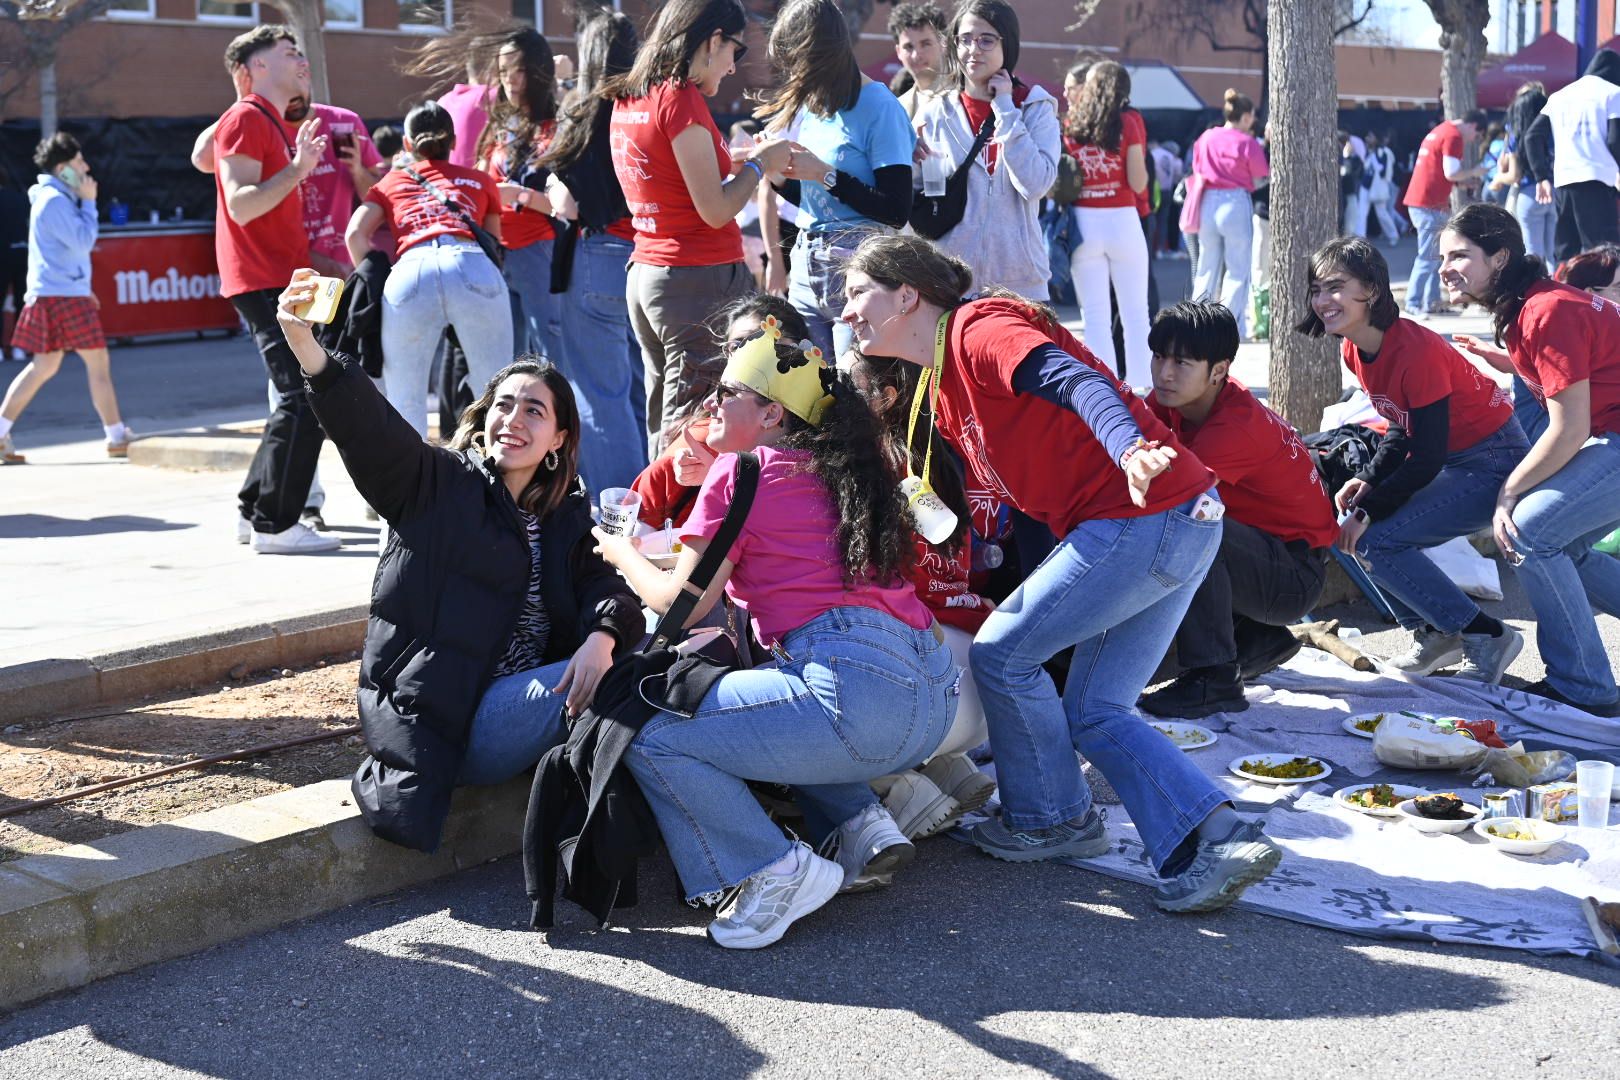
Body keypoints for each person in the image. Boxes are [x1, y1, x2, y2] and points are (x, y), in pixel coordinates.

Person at [841, 233, 1283, 913]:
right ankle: (1217, 836)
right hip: (1171, 520)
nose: (845, 312)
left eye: (856, 293)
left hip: (1147, 515)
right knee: (1095, 707)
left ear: (907, 295)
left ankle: (1050, 819)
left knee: (1003, 654)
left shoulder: (978, 329)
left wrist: (1130, 446)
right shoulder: (942, 378)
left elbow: (1079, 382)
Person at [593, 316, 958, 950]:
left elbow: (679, 604)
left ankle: (775, 869)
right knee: (765, 704)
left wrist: (620, 552)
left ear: (770, 414)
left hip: (855, 696)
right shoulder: (855, 472)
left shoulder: (742, 472)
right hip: (932, 691)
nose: (711, 403)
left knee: (650, 732)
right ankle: (861, 822)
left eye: (727, 392)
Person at [273, 268, 643, 851]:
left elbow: (606, 587)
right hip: (457, 723)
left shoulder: (562, 513)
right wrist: (308, 347)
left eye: (533, 412)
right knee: (630, 679)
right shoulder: (438, 486)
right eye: (504, 405)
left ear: (559, 442)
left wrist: (602, 632)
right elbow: (370, 431)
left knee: (643, 660)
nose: (513, 421)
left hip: (533, 700)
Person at [1299, 235, 1528, 681]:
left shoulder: (1415, 351)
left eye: (1335, 287)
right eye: (1317, 289)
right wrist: (1368, 478)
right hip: (1455, 459)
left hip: (1494, 461)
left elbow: (1426, 455)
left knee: (1374, 538)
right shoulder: (1354, 348)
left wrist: (1368, 508)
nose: (1323, 300)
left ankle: (1487, 634)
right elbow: (1401, 426)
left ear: (1374, 290)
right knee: (1369, 536)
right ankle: (1436, 637)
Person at [1443, 204, 1620, 715]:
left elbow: (1571, 428)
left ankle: (1582, 687)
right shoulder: (1535, 306)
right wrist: (1507, 359)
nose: (1445, 267)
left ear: (1499, 257)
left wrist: (1509, 491)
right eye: (1442, 257)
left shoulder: (1544, 310)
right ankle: (1583, 680)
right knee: (1564, 544)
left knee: (1528, 530)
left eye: (1460, 255)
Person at [607, 0, 793, 455]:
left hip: (653, 271)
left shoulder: (635, 93)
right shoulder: (680, 99)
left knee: (667, 413)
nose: (733, 67)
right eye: (737, 51)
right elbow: (715, 209)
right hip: (692, 275)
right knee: (690, 423)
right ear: (713, 41)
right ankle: (673, 519)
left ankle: (662, 513)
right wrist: (761, 167)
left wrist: (747, 159)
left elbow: (680, 176)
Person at [1138, 301, 1337, 718]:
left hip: (1294, 577)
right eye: (1159, 356)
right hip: (1261, 558)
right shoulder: (1175, 401)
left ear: (1218, 370)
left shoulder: (1236, 426)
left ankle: (1215, 679)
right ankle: (1256, 639)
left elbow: (1161, 498)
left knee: (1187, 521)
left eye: (1182, 362)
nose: (1165, 372)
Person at [848, 348, 996, 838]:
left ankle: (895, 787)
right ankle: (949, 770)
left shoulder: (870, 469)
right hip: (979, 673)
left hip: (930, 680)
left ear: (885, 397)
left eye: (848, 386)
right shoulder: (939, 461)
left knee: (814, 687)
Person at [209, 25, 334, 554]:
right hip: (262, 278)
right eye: (288, 52)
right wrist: (297, 169)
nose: (300, 59)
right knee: (302, 396)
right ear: (255, 68)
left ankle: (253, 510)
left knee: (296, 395)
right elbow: (241, 203)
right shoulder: (245, 116)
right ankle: (276, 524)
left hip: (278, 276)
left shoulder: (266, 120)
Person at [755, 0, 915, 361]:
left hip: (857, 269)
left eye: (796, 62)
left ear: (820, 53)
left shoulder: (879, 105)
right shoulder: (817, 106)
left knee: (854, 392)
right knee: (808, 390)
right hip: (806, 263)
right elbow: (819, 201)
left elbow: (895, 209)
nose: (793, 74)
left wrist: (824, 173)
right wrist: (779, 177)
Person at [345, 101, 513, 440]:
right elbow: (493, 243)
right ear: (453, 142)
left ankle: (412, 490)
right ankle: (501, 482)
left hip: (411, 271)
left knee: (405, 402)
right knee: (498, 393)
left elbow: (354, 234)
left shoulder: (391, 182)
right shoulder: (481, 181)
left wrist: (377, 272)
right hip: (471, 263)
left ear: (407, 145)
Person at [538, 8, 648, 494]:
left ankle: (622, 516)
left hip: (597, 255)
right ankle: (652, 503)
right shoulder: (647, 107)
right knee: (641, 391)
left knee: (601, 396)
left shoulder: (581, 112)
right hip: (645, 254)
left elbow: (564, 202)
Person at [912, 0, 1059, 302]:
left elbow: (1035, 184)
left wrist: (1005, 107)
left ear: (1008, 45)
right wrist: (919, 162)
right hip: (953, 281)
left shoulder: (1034, 107)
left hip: (1021, 284)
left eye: (986, 40)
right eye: (964, 39)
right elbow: (932, 194)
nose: (973, 49)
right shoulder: (936, 113)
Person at [0, 133, 129, 466]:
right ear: (63, 168)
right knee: (96, 365)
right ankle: (116, 437)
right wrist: (89, 201)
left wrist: (82, 287)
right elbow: (83, 241)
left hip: (59, 293)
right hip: (61, 296)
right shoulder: (55, 201)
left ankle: (0, 434)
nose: (85, 168)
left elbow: (61, 252)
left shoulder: (51, 198)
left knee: (43, 367)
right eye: (78, 162)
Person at [631, 293, 810, 528]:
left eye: (760, 340)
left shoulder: (828, 434)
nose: (746, 354)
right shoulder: (705, 441)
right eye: (737, 346)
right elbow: (635, 526)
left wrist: (719, 480)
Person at [1063, 59, 1151, 389]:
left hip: (1083, 223)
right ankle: (1144, 389)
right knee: (1135, 314)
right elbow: (1138, 181)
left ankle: (1106, 390)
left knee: (1095, 316)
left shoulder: (1071, 123)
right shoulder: (1129, 120)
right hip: (1122, 220)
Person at [479, 26, 563, 364]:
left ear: (538, 71)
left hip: (540, 249)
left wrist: (519, 195)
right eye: (503, 71)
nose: (510, 80)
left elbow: (568, 206)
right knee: (508, 356)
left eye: (519, 70)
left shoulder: (557, 126)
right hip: (498, 252)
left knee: (548, 351)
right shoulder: (500, 125)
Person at [1522, 48, 1620, 262]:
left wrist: (1541, 176)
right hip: (1598, 178)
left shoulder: (1560, 96)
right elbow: (1614, 140)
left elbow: (1532, 136)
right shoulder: (1613, 93)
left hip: (1564, 180)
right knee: (1605, 251)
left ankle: (1566, 292)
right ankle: (1605, 295)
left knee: (1567, 250)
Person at [1189, 90, 1268, 339]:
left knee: (1206, 266)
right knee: (1237, 269)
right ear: (1245, 117)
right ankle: (1231, 326)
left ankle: (1195, 323)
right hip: (1235, 201)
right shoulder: (1247, 143)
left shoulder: (1206, 137)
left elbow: (1197, 167)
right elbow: (1259, 179)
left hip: (1207, 201)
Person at [1401, 108, 1487, 317]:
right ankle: (1413, 303)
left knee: (1435, 256)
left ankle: (1431, 302)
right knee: (1428, 257)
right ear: (1474, 126)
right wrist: (1476, 171)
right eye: (1476, 136)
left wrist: (1463, 182)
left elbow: (1440, 173)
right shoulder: (1454, 136)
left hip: (1423, 201)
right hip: (1428, 204)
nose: (1472, 140)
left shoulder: (1441, 130)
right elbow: (1451, 172)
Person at [1502, 82, 1553, 262]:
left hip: (1529, 192)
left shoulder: (1515, 131)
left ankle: (1537, 290)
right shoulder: (1553, 127)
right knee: (1554, 255)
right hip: (1556, 191)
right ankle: (1559, 290)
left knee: (1533, 254)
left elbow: (1511, 172)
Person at [887, 2, 947, 119]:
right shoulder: (898, 107)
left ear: (943, 44)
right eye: (908, 47)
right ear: (898, 52)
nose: (916, 55)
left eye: (925, 44)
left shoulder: (962, 96)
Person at [1, 164, 29, 362]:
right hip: (22, 255)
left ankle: (1, 351)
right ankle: (21, 347)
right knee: (22, 303)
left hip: (2, 259)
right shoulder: (21, 199)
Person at [1364, 132, 1403, 244]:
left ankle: (1393, 235)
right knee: (1377, 212)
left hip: (1382, 185)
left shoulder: (1384, 152)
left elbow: (1383, 170)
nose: (1367, 139)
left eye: (1370, 136)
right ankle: (1391, 234)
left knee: (1383, 212)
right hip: (1371, 185)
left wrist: (1373, 157)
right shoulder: (1372, 151)